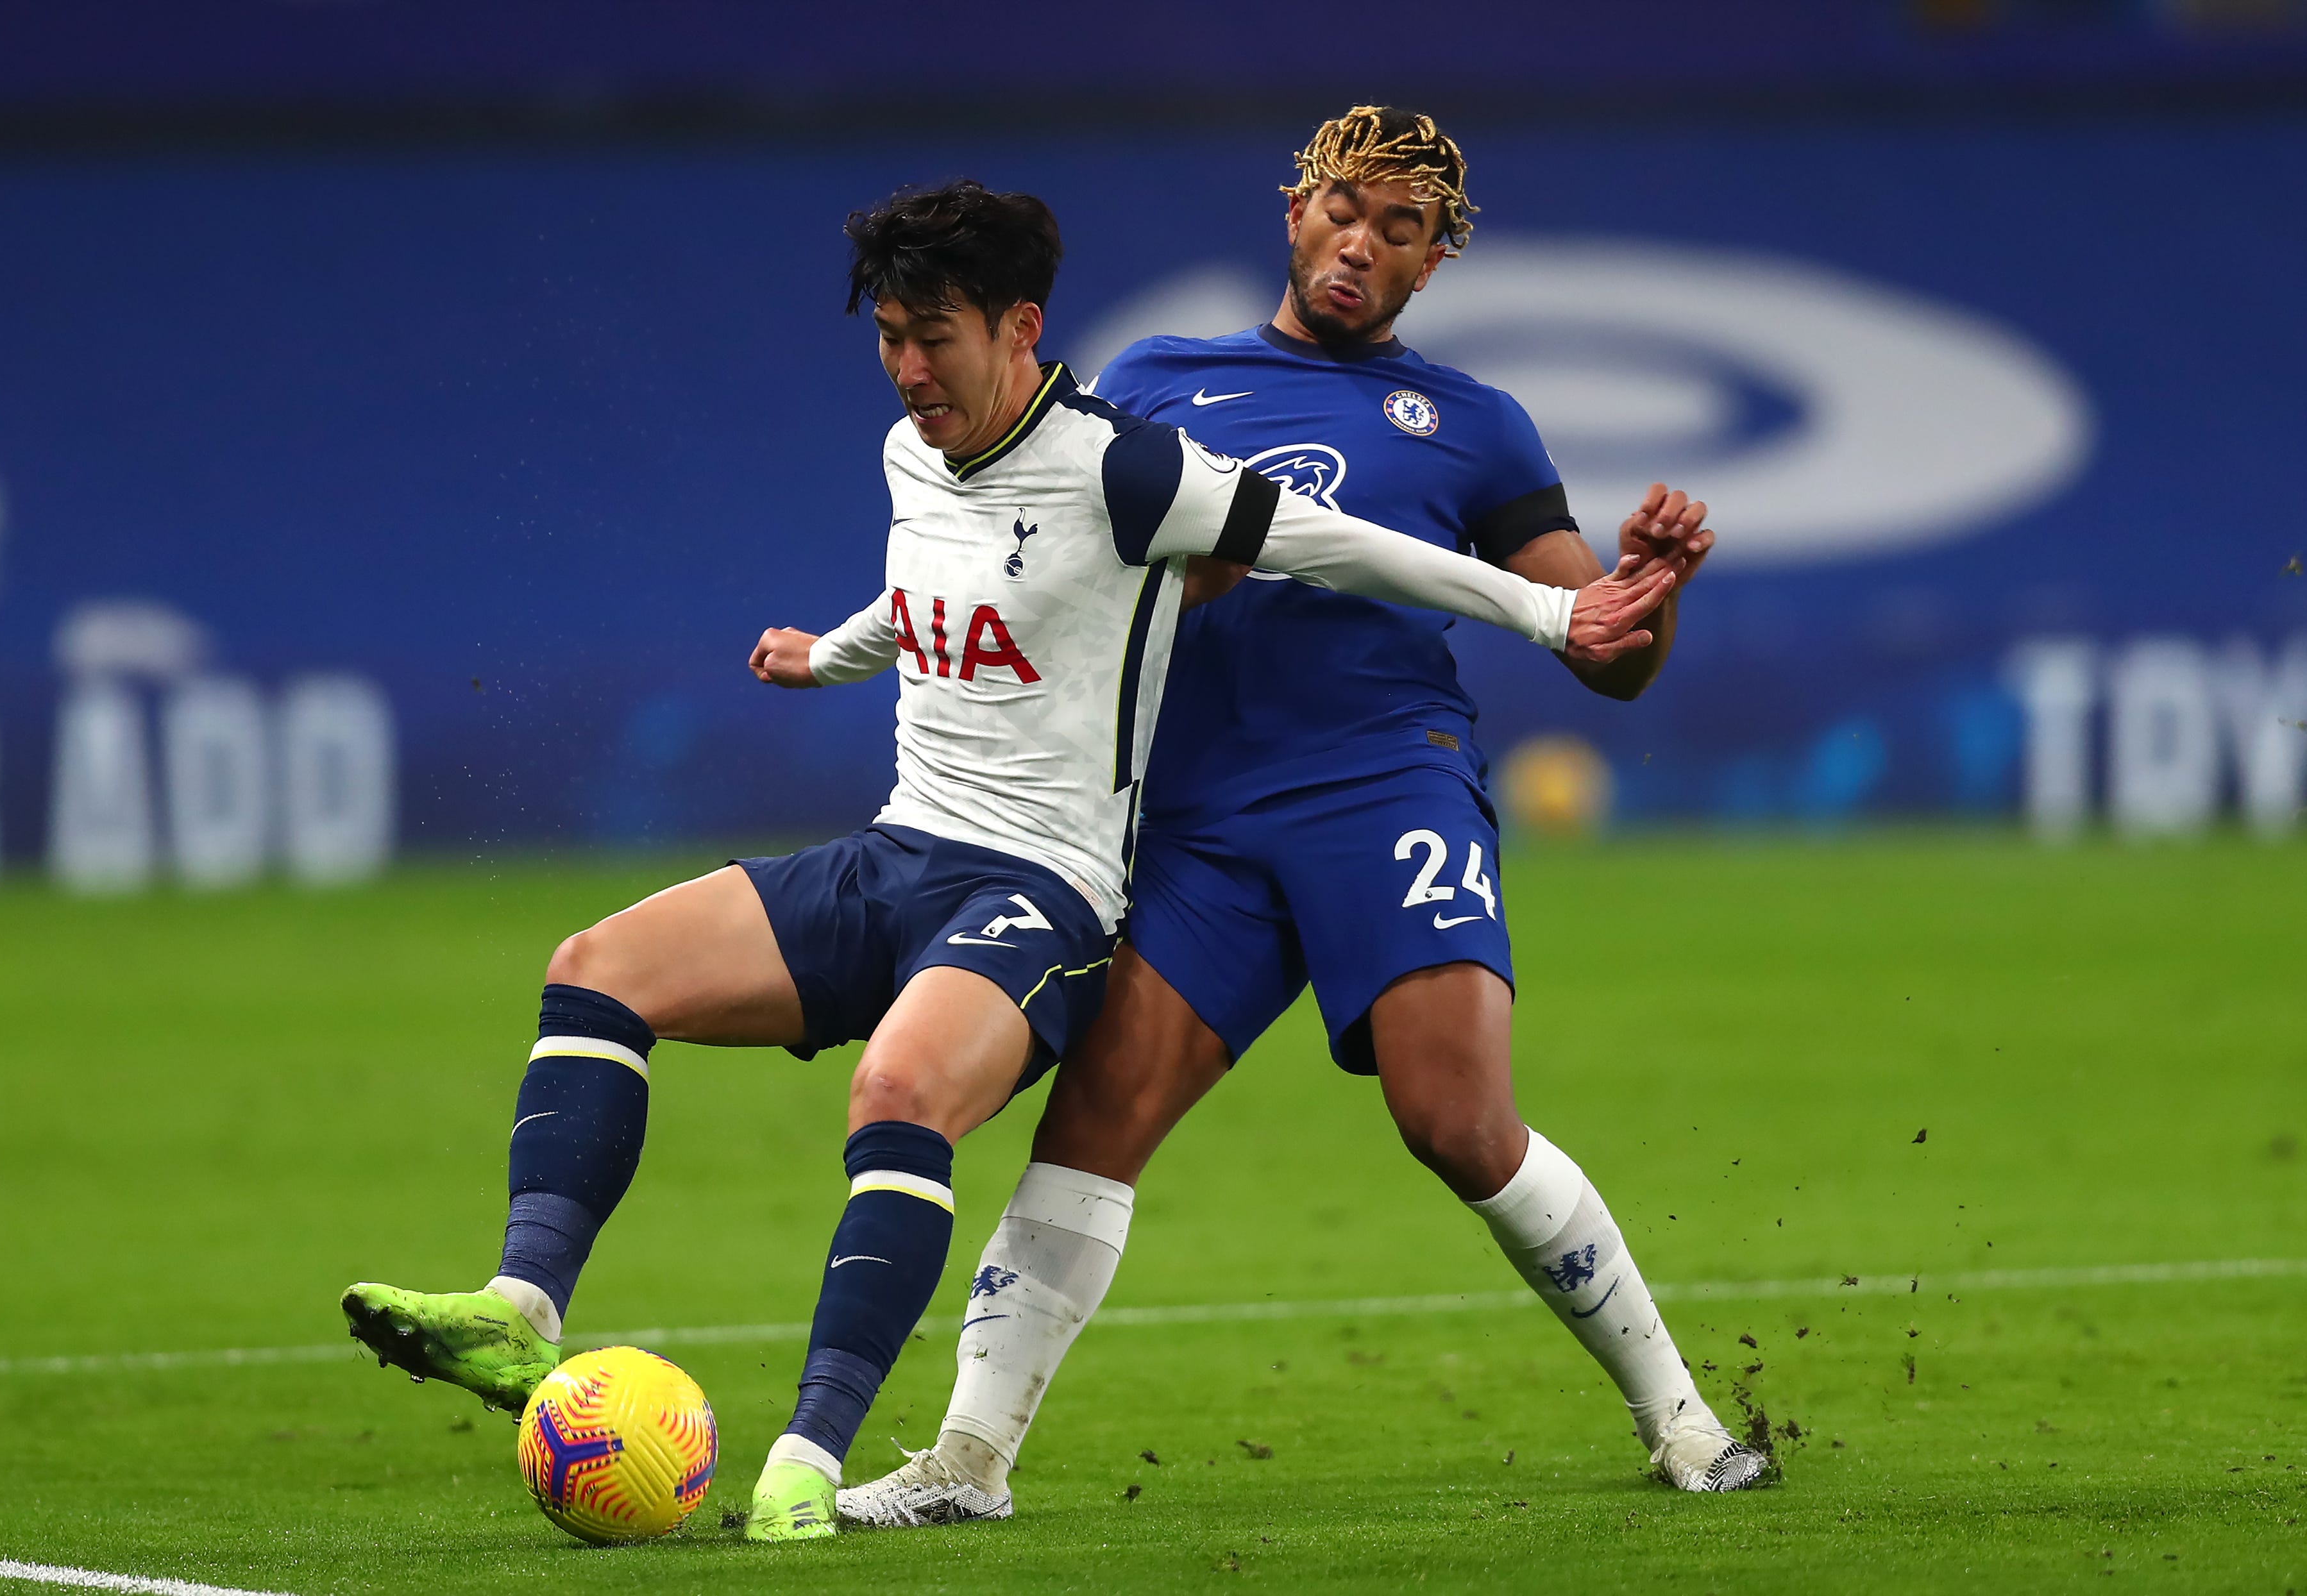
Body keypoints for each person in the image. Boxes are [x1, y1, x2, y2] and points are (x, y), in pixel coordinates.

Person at [338, 176, 1682, 1544]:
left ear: (1019, 326)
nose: (910, 370)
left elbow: (1346, 547)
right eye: (890, 339)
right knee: (596, 969)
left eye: (936, 338)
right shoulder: (912, 448)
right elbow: (936, 581)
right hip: (916, 844)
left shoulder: (1130, 464)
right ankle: (525, 1313)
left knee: (917, 1091)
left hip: (1056, 883)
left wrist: (1550, 609)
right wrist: (831, 654)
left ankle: (811, 1453)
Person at [841, 108, 1757, 1532]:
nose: (1362, 241)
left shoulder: (1470, 426)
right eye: (1343, 207)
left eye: (1401, 228)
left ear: (1435, 261)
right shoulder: (1156, 382)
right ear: (1294, 212)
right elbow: (1049, 553)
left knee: (1453, 1121)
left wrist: (1649, 587)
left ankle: (1683, 1422)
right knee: (1094, 1124)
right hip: (1196, 818)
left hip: (1381, 785)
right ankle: (967, 1463)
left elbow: (1608, 655)